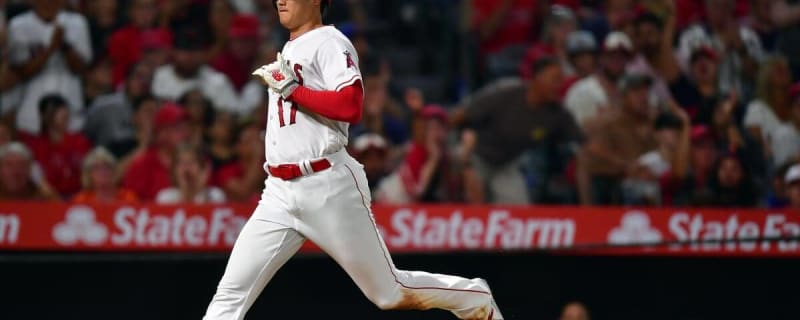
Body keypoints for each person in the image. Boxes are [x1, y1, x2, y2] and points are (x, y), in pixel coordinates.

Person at [206, 1, 503, 320]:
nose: (281, 0)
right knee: (230, 293)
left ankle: (475, 297)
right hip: (277, 191)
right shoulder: (291, 48)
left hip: (325, 184)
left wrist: (293, 90)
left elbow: (351, 106)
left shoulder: (330, 41)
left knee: (389, 292)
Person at [455, 56, 583, 204]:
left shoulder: (556, 113)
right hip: (474, 156)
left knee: (519, 206)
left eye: (560, 80)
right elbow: (460, 116)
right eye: (554, 80)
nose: (559, 85)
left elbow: (582, 140)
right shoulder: (507, 92)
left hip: (507, 164)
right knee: (472, 196)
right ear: (537, 78)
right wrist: (462, 154)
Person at [5, 0, 92, 134]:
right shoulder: (18, 25)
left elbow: (80, 69)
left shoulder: (78, 23)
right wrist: (51, 48)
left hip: (70, 104)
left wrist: (64, 44)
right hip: (30, 111)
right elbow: (23, 73)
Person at [582, 73, 658, 205]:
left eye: (646, 91)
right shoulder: (610, 123)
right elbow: (594, 151)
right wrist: (627, 166)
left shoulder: (656, 121)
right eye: (636, 92)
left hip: (655, 181)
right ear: (623, 97)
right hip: (619, 186)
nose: (643, 97)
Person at [150, 26, 239, 113]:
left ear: (204, 53)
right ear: (173, 51)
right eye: (185, 50)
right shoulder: (159, 76)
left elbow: (232, 115)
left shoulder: (218, 82)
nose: (190, 56)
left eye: (196, 50)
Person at [19, 94, 92, 197]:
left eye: (65, 112)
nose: (63, 114)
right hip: (47, 198)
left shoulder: (80, 141)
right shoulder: (35, 145)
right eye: (55, 111)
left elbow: (89, 173)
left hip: (79, 197)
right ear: (44, 115)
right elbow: (34, 176)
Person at [122, 102, 190, 201]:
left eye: (186, 127)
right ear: (162, 133)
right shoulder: (142, 165)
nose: (186, 133)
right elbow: (129, 204)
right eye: (178, 129)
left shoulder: (195, 162)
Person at [564, 31, 633, 128]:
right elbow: (572, 128)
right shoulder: (582, 90)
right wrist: (604, 120)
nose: (617, 61)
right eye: (612, 56)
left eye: (622, 57)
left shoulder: (634, 89)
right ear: (602, 58)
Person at [744, 56, 796, 166]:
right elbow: (754, 146)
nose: (784, 72)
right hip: (769, 166)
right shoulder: (757, 108)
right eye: (778, 69)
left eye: (786, 69)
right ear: (766, 76)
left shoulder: (796, 109)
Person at [156, 144, 226, 204]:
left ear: (202, 168)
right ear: (174, 170)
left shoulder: (215, 195)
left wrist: (202, 190)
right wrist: (185, 191)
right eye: (181, 163)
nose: (186, 168)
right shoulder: (165, 197)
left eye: (192, 162)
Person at [72, 147, 138, 204]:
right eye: (96, 167)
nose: (102, 171)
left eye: (107, 166)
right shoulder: (81, 200)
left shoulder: (128, 198)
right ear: (88, 174)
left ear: (114, 172)